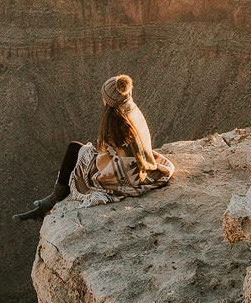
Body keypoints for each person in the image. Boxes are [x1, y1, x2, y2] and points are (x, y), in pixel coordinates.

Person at [13, 74, 175, 221]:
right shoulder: (131, 110)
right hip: (140, 166)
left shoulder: (117, 123)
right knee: (79, 150)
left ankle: (54, 198)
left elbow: (107, 160)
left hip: (124, 177)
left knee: (75, 149)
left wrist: (93, 159)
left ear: (109, 100)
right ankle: (50, 201)